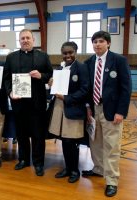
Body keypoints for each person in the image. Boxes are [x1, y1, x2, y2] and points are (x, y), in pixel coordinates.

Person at [83, 31, 132, 197]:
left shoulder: (119, 60)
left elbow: (126, 88)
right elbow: (87, 88)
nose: (97, 44)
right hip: (94, 108)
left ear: (108, 43)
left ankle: (111, 180)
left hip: (112, 110)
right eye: (95, 41)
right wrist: (88, 106)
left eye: (101, 41)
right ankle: (98, 169)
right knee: (95, 142)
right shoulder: (89, 62)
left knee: (111, 146)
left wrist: (121, 111)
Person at [3, 29, 53, 176]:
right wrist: (10, 92)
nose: (25, 40)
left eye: (28, 38)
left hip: (37, 103)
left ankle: (38, 163)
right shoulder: (11, 57)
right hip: (19, 103)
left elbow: (50, 75)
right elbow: (6, 78)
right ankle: (23, 160)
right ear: (19, 41)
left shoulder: (43, 56)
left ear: (33, 40)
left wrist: (41, 75)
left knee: (38, 135)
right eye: (22, 38)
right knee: (21, 134)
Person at [48, 42, 88, 183]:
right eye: (65, 53)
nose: (68, 55)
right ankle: (67, 168)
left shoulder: (82, 68)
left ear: (76, 52)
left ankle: (75, 170)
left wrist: (67, 98)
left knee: (73, 142)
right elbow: (55, 88)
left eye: (70, 52)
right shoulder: (60, 68)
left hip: (74, 110)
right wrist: (51, 84)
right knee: (65, 141)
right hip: (60, 109)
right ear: (62, 54)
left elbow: (85, 90)